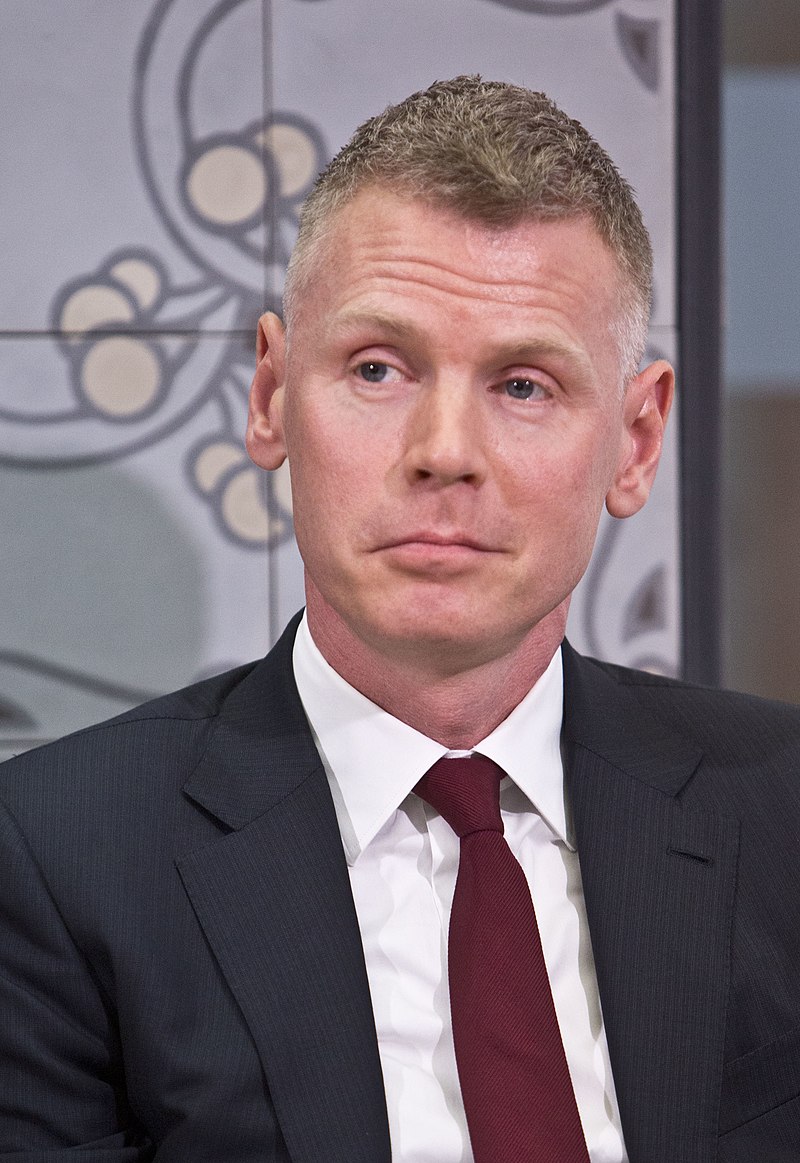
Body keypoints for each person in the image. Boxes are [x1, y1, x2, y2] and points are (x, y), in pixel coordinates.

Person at [1, 76, 799, 1163]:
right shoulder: (55, 861)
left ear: (636, 441)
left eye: (523, 384)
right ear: (272, 396)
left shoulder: (782, 809)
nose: (444, 451)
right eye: (377, 368)